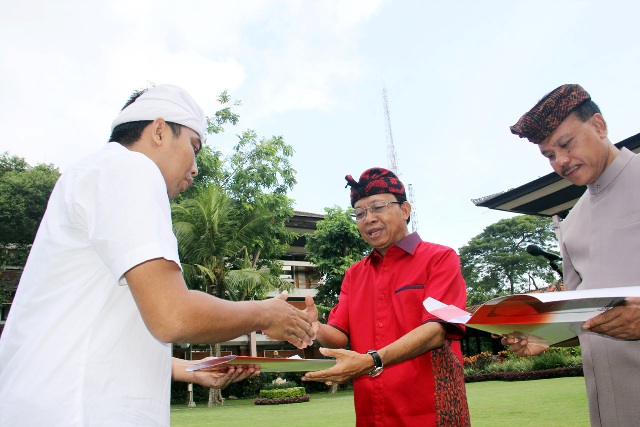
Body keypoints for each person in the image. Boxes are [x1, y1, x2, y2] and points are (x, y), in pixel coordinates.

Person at [0, 84, 315, 426]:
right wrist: (264, 314)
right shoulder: (130, 168)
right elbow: (171, 315)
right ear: (160, 130)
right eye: (194, 148)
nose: (195, 168)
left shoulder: (97, 172)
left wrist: (191, 369)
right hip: (76, 412)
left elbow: (103, 330)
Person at [507, 83, 640, 426]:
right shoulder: (572, 223)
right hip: (610, 405)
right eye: (549, 155)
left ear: (598, 126)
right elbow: (587, 318)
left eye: (565, 144)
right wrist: (545, 338)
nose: (561, 162)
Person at [302, 167, 470, 426]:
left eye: (377, 207)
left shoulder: (440, 259)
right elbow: (339, 335)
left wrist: (372, 361)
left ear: (404, 210)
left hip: (432, 411)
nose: (368, 218)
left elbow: (438, 330)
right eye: (359, 213)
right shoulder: (354, 274)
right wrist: (314, 328)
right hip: (372, 413)